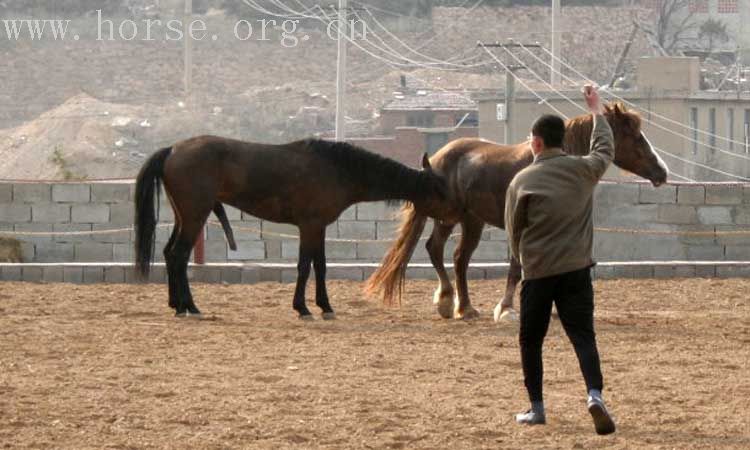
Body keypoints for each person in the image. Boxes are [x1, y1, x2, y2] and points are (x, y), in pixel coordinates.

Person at [504, 85, 616, 435]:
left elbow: (513, 231)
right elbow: (605, 149)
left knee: (530, 340)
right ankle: (594, 395)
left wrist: (524, 259)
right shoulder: (584, 171)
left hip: (538, 273)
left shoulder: (522, 181)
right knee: (583, 336)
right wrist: (597, 110)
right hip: (577, 269)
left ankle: (537, 408)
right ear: (563, 140)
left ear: (536, 143)